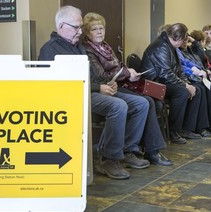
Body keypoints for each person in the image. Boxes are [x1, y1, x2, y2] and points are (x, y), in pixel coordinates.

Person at [38, 6, 151, 180]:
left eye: (80, 27)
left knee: (141, 103)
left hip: (89, 90)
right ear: (61, 27)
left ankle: (128, 150)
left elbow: (91, 76)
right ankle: (109, 159)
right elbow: (62, 83)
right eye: (75, 27)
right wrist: (98, 88)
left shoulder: (77, 47)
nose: (79, 31)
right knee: (118, 106)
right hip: (72, 97)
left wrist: (107, 85)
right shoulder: (51, 49)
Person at [82, 12, 173, 167]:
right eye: (94, 29)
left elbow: (118, 66)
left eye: (101, 28)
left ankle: (136, 149)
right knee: (145, 102)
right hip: (102, 88)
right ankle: (142, 150)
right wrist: (126, 74)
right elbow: (101, 75)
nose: (99, 32)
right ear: (86, 32)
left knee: (149, 101)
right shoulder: (87, 49)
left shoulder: (105, 46)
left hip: (117, 84)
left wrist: (129, 71)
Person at [141, 23, 204, 143]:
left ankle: (186, 128)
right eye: (184, 39)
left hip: (163, 81)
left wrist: (187, 83)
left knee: (196, 90)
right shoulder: (161, 47)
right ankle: (173, 131)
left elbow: (179, 70)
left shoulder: (170, 46)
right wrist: (185, 86)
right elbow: (165, 74)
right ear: (179, 38)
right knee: (182, 92)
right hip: (153, 83)